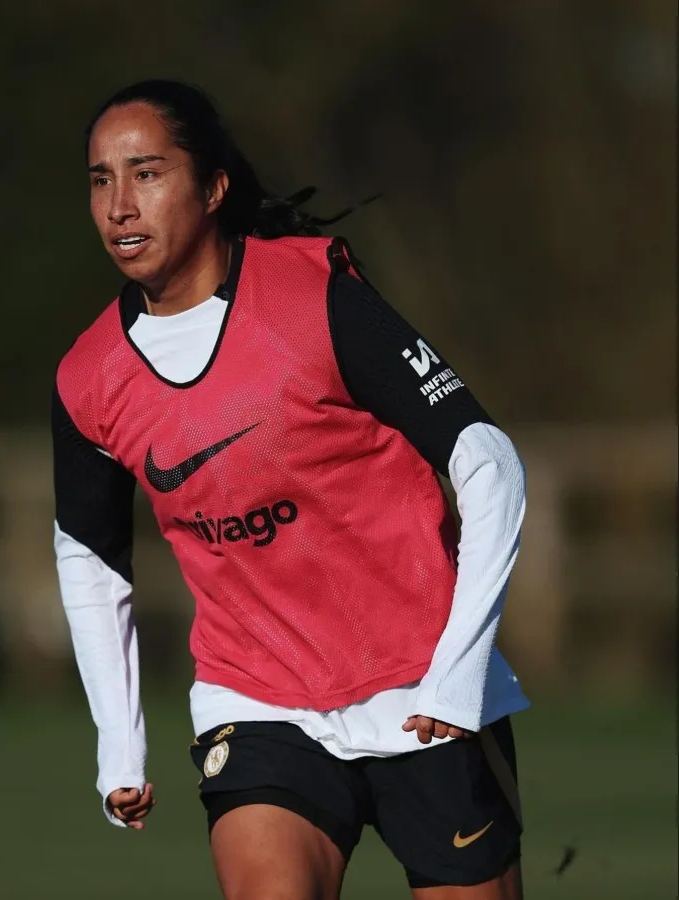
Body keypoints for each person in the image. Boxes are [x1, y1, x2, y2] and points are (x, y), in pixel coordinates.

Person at [52, 79, 529, 900]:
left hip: (424, 689)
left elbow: (488, 461)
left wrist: (458, 670)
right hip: (258, 695)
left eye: (147, 173)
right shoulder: (88, 376)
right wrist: (117, 747)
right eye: (101, 179)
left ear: (213, 187)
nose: (120, 206)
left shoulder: (316, 300)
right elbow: (90, 559)